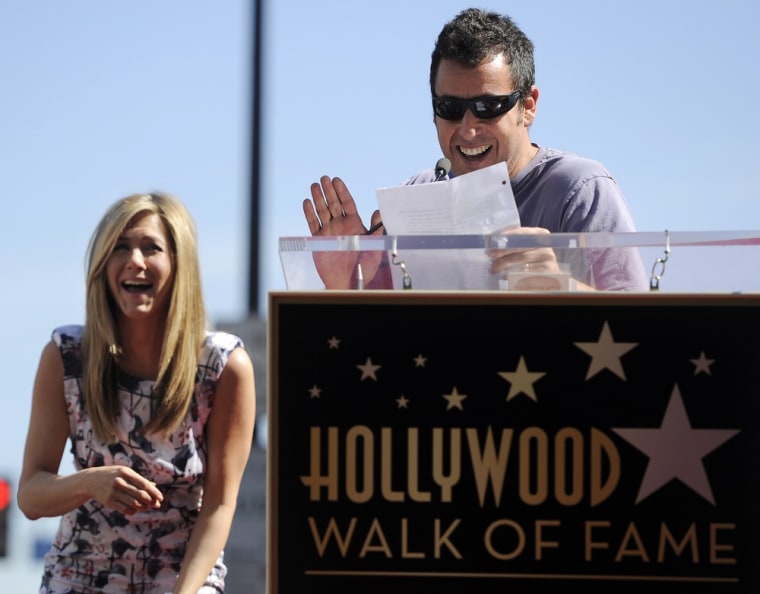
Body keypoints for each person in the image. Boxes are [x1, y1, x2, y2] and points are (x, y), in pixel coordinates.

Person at [303, 7, 648, 291]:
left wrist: (562, 286)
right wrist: (346, 282)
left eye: (488, 107)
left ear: (528, 106)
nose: (468, 128)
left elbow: (638, 331)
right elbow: (381, 344)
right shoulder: (417, 195)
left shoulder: (580, 189)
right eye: (450, 108)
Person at [17, 193, 257, 594]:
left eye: (151, 248)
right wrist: (91, 483)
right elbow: (30, 495)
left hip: (183, 578)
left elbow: (218, 505)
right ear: (102, 265)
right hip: (78, 578)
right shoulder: (66, 356)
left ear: (179, 264)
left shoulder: (223, 365)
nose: (135, 261)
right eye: (120, 247)